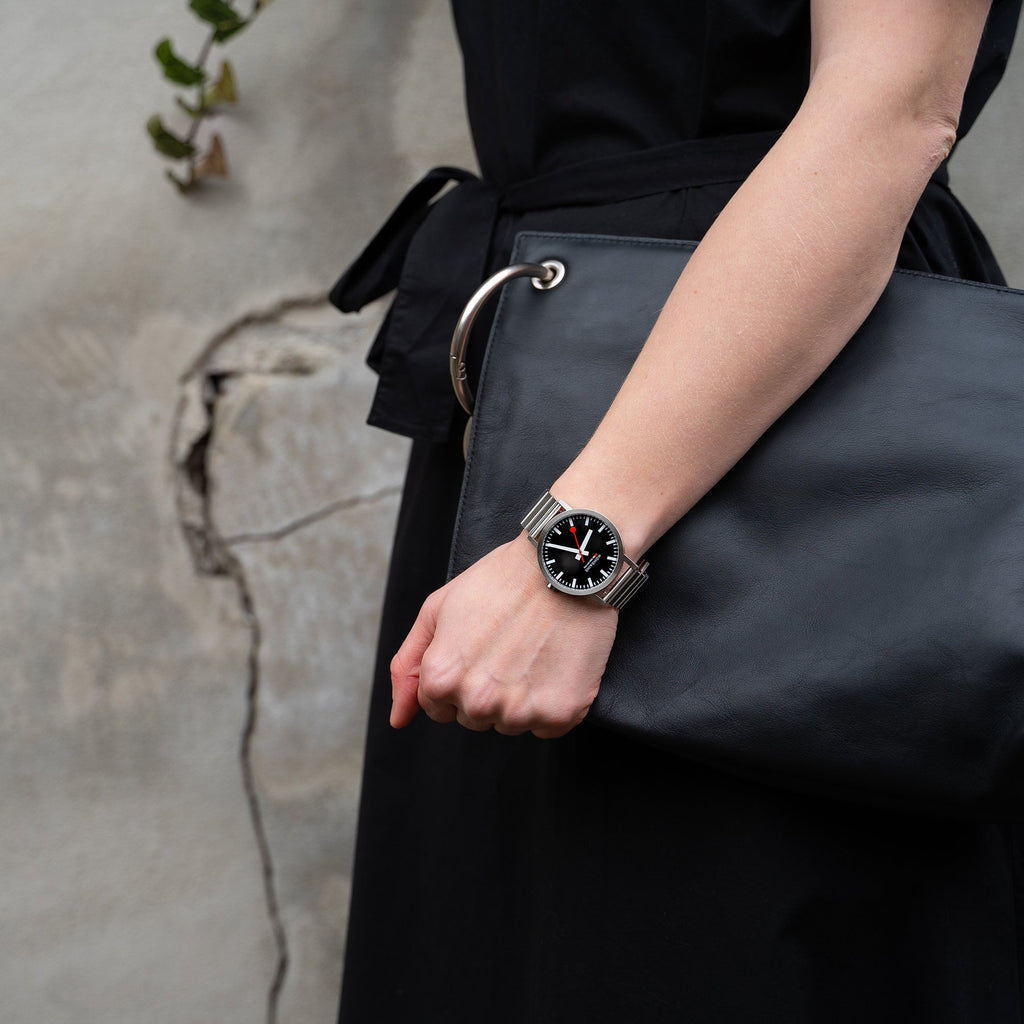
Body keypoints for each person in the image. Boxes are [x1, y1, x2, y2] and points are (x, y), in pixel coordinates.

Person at [331, 1, 1023, 1021]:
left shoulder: (584, 533)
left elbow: (889, 109)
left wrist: (577, 545)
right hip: (545, 388)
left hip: (768, 419)